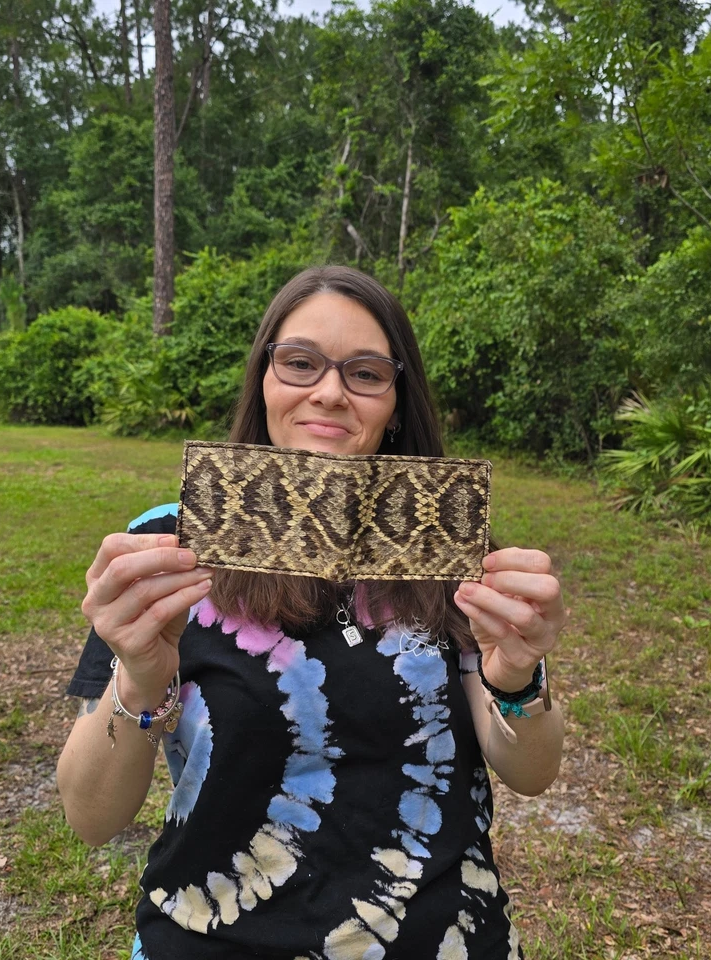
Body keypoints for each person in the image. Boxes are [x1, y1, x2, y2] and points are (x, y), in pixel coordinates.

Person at [57, 266, 566, 960]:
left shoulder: (449, 550)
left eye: (364, 373)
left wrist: (517, 679)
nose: (328, 391)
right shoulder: (169, 546)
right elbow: (91, 817)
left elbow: (531, 773)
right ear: (263, 378)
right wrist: (140, 677)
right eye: (300, 363)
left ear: (396, 399)